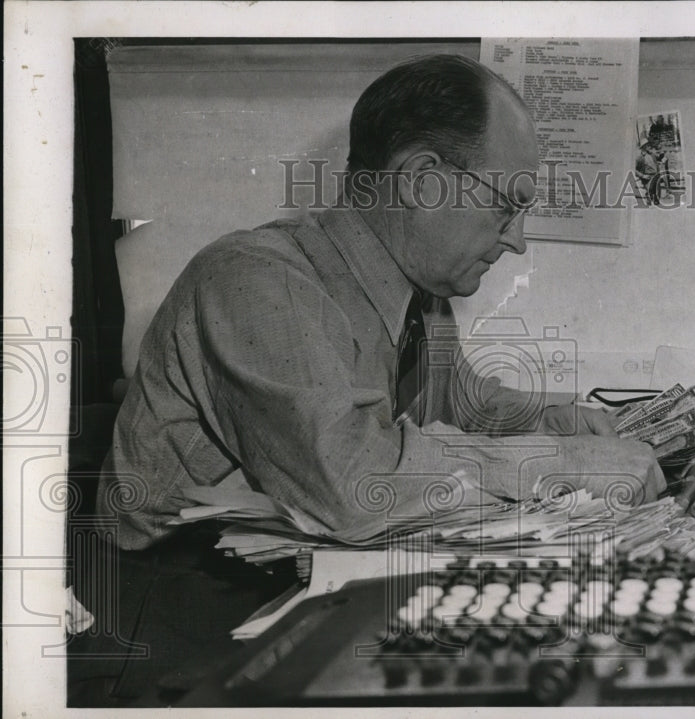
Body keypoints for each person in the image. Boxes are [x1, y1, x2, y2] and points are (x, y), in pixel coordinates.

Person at [80, 55, 665, 703]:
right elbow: (357, 479)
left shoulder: (422, 303)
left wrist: (558, 418)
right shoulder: (255, 279)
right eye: (506, 208)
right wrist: (564, 463)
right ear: (421, 180)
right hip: (168, 616)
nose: (518, 240)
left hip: (297, 584)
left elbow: (468, 403)